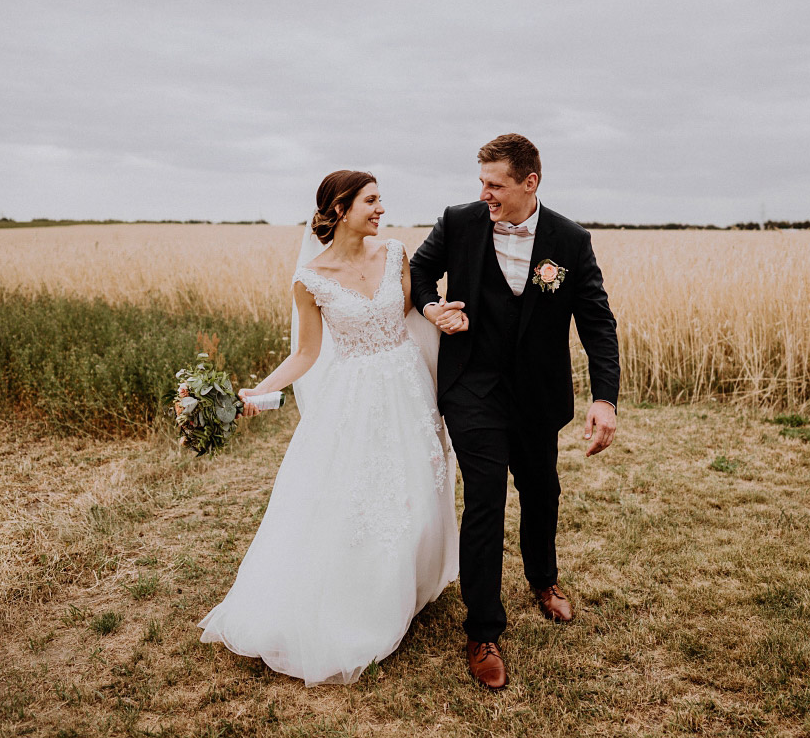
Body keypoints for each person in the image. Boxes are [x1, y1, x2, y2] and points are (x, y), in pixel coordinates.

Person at [197, 171, 458, 686]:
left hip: (406, 385)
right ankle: (360, 600)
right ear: (340, 208)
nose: (382, 209)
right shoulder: (310, 279)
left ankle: (411, 584)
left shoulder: (396, 254)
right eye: (371, 200)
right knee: (359, 495)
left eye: (381, 199)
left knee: (418, 487)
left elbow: (413, 312)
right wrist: (252, 393)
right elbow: (307, 353)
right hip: (355, 395)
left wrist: (442, 317)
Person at [410, 134, 620, 690]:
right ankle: (482, 631)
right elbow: (417, 276)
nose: (484, 194)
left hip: (536, 391)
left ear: (530, 183)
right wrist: (434, 309)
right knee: (485, 496)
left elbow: (597, 322)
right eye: (480, 182)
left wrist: (605, 399)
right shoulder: (458, 221)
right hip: (471, 385)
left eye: (495, 184)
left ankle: (543, 580)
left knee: (541, 488)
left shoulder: (569, 241)